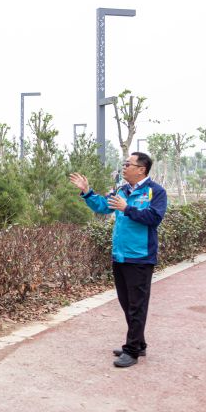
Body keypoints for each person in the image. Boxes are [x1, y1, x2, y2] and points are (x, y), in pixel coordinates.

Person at [69, 152, 168, 368]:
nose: (124, 167)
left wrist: (127, 208)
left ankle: (132, 351)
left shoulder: (155, 192)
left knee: (136, 306)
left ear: (141, 169)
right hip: (120, 256)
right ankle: (139, 343)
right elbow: (103, 206)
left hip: (140, 258)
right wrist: (87, 192)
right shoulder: (122, 190)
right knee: (127, 303)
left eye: (128, 164)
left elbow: (154, 218)